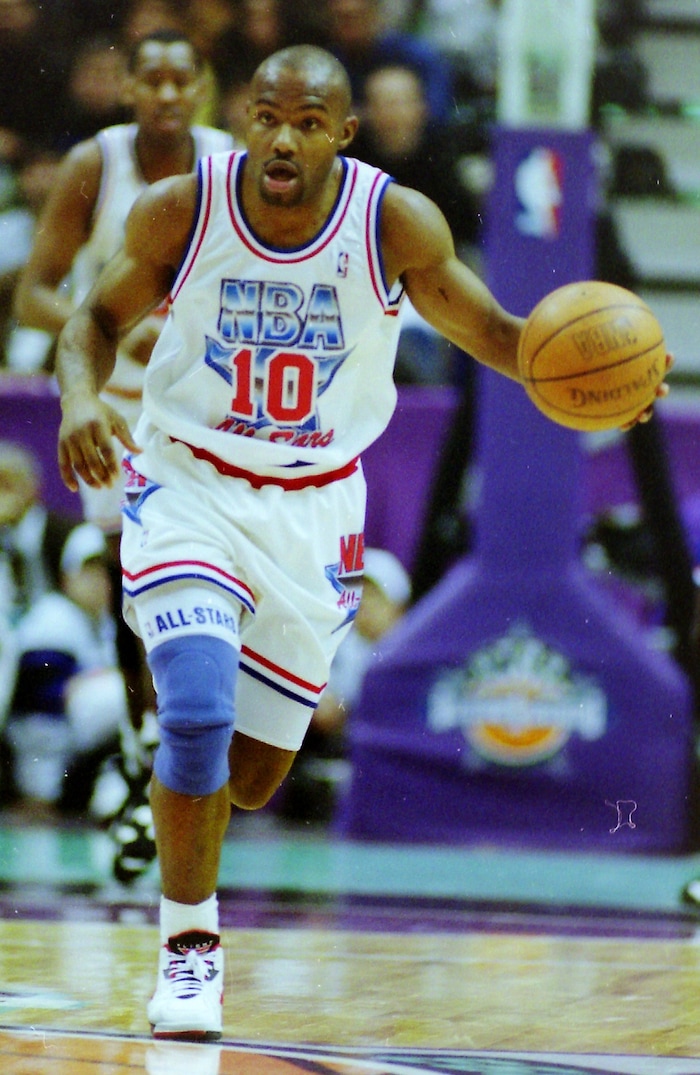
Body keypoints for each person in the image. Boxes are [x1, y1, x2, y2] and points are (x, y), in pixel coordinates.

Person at [52, 44, 668, 1042]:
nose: (282, 137)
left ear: (344, 131)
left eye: (307, 121)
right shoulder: (185, 206)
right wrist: (80, 397)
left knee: (250, 776)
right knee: (197, 711)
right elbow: (92, 320)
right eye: (267, 116)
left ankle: (190, 798)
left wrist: (606, 374)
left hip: (311, 511)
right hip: (189, 484)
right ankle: (189, 951)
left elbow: (508, 340)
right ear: (246, 117)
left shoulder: (392, 223)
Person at [14, 28, 235, 883]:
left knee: (205, 575)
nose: (170, 94)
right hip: (112, 404)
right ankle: (146, 752)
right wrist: (110, 321)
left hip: (206, 404)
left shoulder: (229, 164)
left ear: (203, 89)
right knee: (130, 572)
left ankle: (159, 756)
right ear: (132, 90)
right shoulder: (94, 166)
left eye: (186, 79)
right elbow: (35, 292)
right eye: (155, 79)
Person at [279, 546, 411, 823]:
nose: (365, 608)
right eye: (358, 598)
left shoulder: (415, 652)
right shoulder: (340, 647)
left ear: (398, 608)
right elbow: (327, 712)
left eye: (375, 598)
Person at [4, 522, 127, 818]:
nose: (100, 581)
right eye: (89, 570)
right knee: (116, 692)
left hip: (84, 758)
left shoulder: (107, 623)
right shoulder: (53, 618)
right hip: (44, 766)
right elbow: (37, 714)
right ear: (66, 576)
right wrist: (40, 791)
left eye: (106, 571)